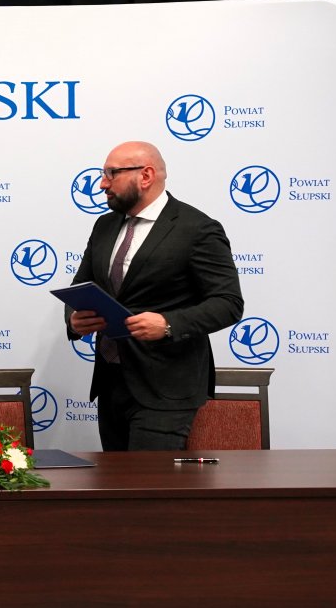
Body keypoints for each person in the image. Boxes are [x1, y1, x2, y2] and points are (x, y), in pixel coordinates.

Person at [66, 140, 243, 451]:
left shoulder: (197, 229)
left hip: (166, 388)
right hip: (111, 383)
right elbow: (81, 286)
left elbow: (228, 303)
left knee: (146, 482)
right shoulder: (104, 225)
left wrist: (168, 323)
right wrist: (74, 320)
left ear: (145, 175)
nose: (102, 184)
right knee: (115, 480)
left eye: (111, 174)